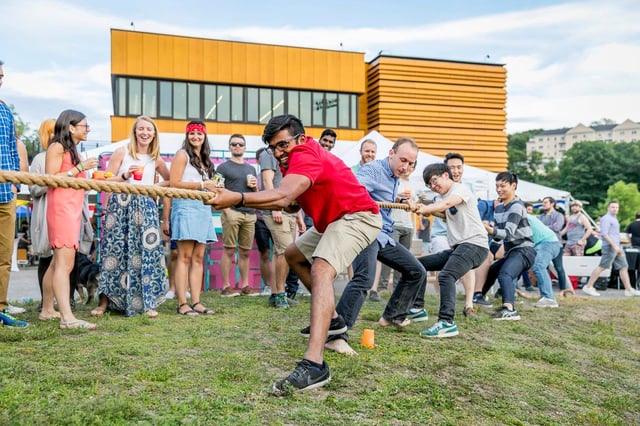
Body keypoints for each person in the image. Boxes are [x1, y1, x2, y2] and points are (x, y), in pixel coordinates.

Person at [208, 114, 381, 395]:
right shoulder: (295, 158)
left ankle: (315, 366)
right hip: (334, 219)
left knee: (321, 269)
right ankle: (334, 322)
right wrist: (289, 202)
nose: (278, 153)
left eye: (282, 145)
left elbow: (283, 197)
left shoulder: (304, 152)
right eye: (273, 148)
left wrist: (236, 197)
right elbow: (293, 201)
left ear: (299, 139)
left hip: (357, 216)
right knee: (293, 255)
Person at [322, 137, 426, 356]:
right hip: (365, 230)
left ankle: (392, 315)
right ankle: (335, 336)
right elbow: (354, 186)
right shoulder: (373, 170)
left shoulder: (394, 176)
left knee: (416, 271)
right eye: (402, 160)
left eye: (410, 163)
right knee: (364, 279)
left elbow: (378, 194)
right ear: (391, 153)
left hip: (383, 235)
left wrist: (400, 200)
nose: (405, 166)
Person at [91, 115, 170, 318]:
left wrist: (152, 188)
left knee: (146, 253)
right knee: (113, 253)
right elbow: (106, 181)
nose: (145, 133)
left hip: (145, 207)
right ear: (135, 131)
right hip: (121, 207)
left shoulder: (156, 158)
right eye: (141, 129)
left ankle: (147, 302)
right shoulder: (122, 152)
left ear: (154, 134)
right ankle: (104, 302)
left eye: (149, 130)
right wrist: (125, 176)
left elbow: (171, 181)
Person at [414, 163, 489, 337]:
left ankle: (447, 322)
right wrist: (425, 211)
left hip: (475, 245)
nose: (433, 186)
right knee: (418, 265)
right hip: (460, 247)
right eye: (429, 185)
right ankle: (417, 308)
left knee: (447, 275)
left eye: (434, 180)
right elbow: (446, 213)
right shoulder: (443, 198)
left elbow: (446, 204)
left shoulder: (460, 189)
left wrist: (426, 209)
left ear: (446, 175)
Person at [42, 109, 98, 329]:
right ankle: (67, 317)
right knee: (65, 265)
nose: (88, 129)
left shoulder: (73, 149)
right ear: (71, 127)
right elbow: (51, 178)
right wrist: (79, 168)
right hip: (61, 210)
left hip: (72, 210)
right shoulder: (57, 146)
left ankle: (48, 309)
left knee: (58, 263)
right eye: (85, 125)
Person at [168, 120, 218, 315]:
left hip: (203, 208)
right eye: (192, 133)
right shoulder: (182, 155)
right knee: (185, 256)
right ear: (187, 136)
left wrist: (213, 187)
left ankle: (196, 301)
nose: (195, 137)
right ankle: (182, 303)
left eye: (199, 133)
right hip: (186, 206)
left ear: (204, 136)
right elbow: (174, 183)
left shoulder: (206, 160)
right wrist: (202, 186)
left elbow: (207, 184)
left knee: (198, 257)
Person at [481, 172, 536, 320]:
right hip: (512, 251)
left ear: (513, 186)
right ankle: (479, 296)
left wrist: (488, 229)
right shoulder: (499, 208)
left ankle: (509, 309)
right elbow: (498, 237)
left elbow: (508, 233)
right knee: (492, 270)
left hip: (525, 250)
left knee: (505, 274)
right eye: (497, 186)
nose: (499, 189)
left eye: (503, 186)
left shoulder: (517, 206)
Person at [258, 145, 305, 308]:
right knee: (284, 251)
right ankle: (280, 295)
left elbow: (293, 186)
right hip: (275, 208)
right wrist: (275, 207)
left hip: (290, 210)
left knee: (281, 252)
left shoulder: (289, 154)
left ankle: (276, 293)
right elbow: (267, 180)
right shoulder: (268, 153)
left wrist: (299, 216)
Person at [0, 59, 27, 327]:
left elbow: (11, 148)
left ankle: (0, 308)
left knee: (4, 255)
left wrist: (15, 183)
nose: (0, 79)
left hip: (5, 193)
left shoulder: (5, 111)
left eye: (2, 75)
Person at [216, 134, 260, 297]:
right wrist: (227, 211)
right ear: (229, 147)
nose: (237, 146)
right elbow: (216, 188)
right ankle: (226, 287)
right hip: (232, 212)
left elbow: (256, 193)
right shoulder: (222, 168)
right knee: (228, 250)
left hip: (249, 214)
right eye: (234, 144)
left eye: (240, 144)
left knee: (245, 252)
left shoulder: (251, 169)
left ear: (244, 147)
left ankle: (245, 285)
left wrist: (255, 188)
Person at [582, 201, 640, 297]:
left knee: (623, 267)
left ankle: (629, 289)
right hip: (610, 247)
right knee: (603, 266)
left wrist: (618, 246)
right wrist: (615, 246)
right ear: (608, 208)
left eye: (616, 207)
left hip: (617, 246)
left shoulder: (614, 218)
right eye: (613, 207)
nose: (615, 209)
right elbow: (604, 234)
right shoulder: (606, 219)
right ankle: (588, 287)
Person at [373, 169, 414, 301]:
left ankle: (398, 288)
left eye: (412, 165)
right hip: (393, 224)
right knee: (388, 259)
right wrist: (399, 198)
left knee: (403, 260)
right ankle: (382, 288)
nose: (408, 168)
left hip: (408, 225)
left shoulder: (413, 184)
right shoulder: (393, 181)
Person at [526, 213, 563, 308]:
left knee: (539, 266)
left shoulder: (521, 216)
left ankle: (549, 298)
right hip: (546, 243)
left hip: (547, 243)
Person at [538, 196, 569, 291]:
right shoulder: (540, 216)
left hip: (556, 245)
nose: (543, 204)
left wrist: (543, 227)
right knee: (542, 268)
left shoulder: (559, 215)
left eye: (545, 202)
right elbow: (537, 228)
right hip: (543, 245)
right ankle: (545, 290)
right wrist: (547, 227)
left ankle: (563, 290)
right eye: (543, 202)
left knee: (559, 268)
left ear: (552, 204)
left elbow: (557, 227)